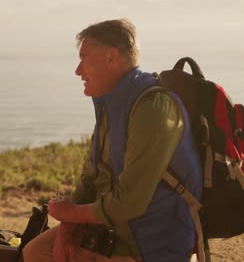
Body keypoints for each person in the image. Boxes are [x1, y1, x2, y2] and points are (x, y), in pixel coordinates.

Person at [23, 19, 202, 262]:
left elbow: (129, 203)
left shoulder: (152, 109)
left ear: (111, 57)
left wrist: (73, 214)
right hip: (117, 232)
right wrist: (67, 229)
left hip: (152, 246)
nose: (78, 70)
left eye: (84, 58)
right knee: (35, 251)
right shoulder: (112, 104)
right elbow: (91, 178)